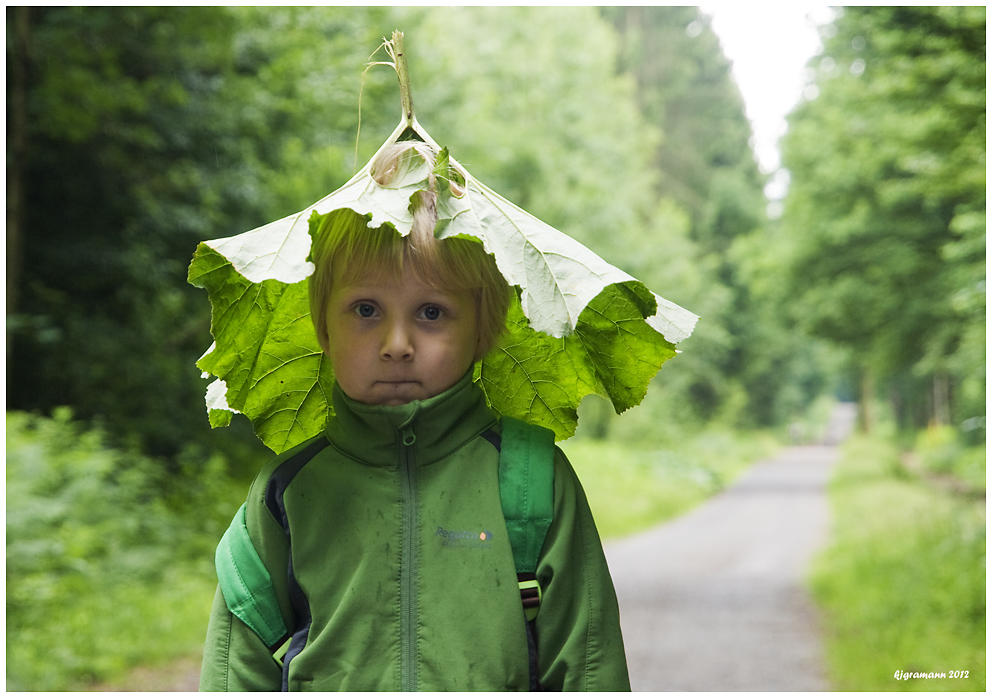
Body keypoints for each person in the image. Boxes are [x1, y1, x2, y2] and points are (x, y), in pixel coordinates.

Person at [199, 142, 630, 691]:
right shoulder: (284, 495)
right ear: (323, 329)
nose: (397, 344)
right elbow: (236, 672)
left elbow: (591, 671)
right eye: (366, 310)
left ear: (483, 330)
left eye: (431, 312)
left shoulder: (531, 483)